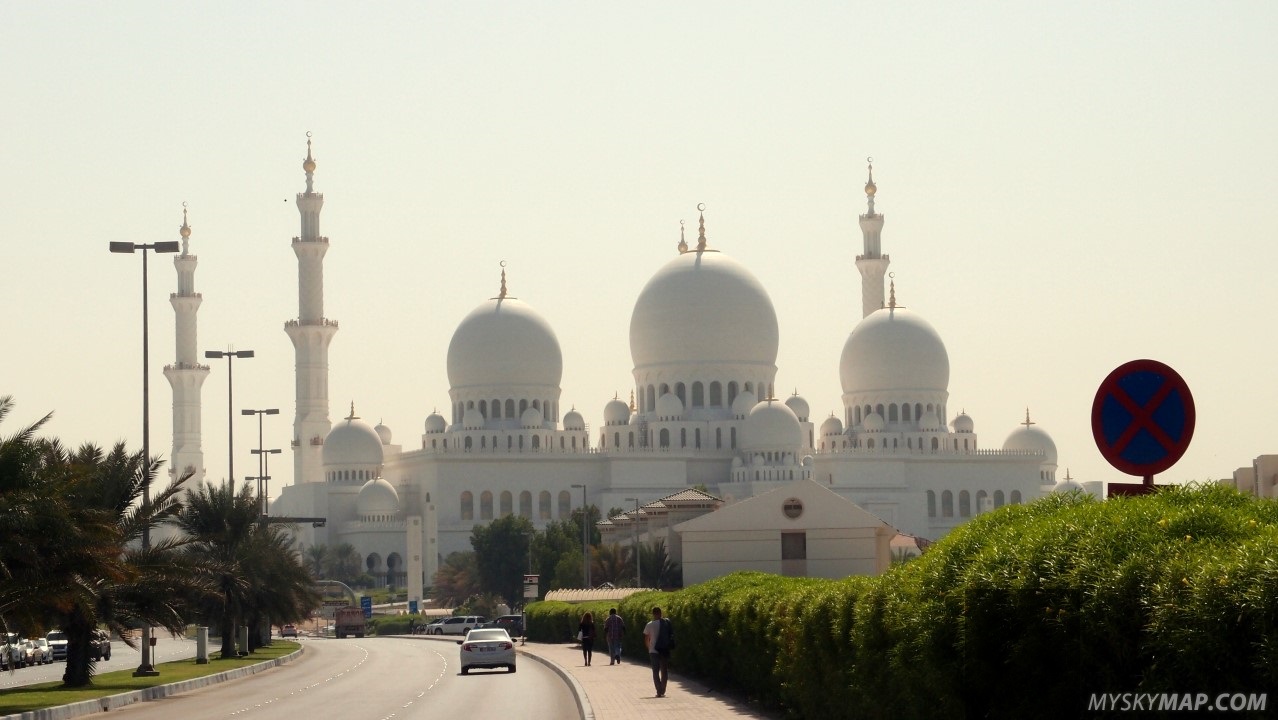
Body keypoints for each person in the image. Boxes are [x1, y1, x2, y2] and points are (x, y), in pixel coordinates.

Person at [643, 606, 672, 697]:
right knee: (664, 671)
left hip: (653, 650)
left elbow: (646, 638)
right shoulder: (666, 623)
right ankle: (663, 689)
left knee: (655, 671)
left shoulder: (649, 624)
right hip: (664, 649)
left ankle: (658, 690)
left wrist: (649, 648)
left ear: (653, 614)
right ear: (660, 613)